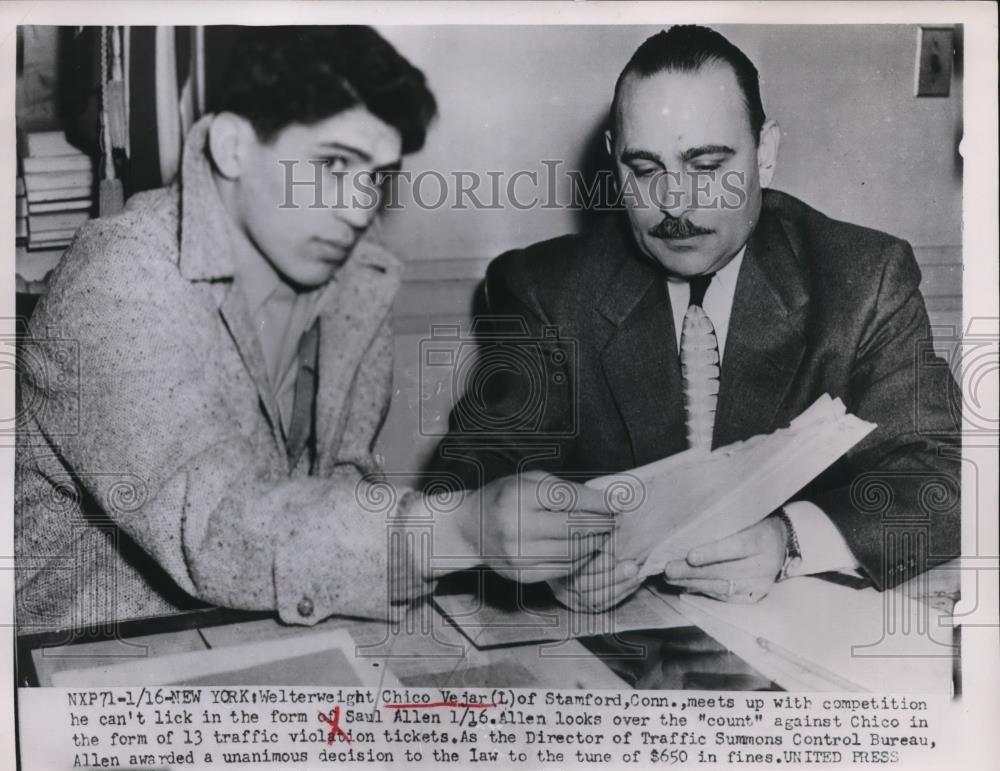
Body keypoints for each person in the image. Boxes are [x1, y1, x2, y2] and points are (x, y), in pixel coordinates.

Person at [15, 26, 616, 633]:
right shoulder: (116, 280)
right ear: (232, 147)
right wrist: (457, 529)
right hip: (85, 652)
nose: (358, 210)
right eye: (332, 164)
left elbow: (344, 484)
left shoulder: (357, 277)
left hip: (254, 638)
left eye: (375, 177)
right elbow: (216, 522)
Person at [428, 25, 961, 612]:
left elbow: (947, 480)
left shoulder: (865, 277)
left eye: (706, 166)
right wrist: (536, 562)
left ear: (766, 154)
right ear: (613, 162)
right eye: (645, 169)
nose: (675, 204)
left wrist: (788, 540)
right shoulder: (546, 290)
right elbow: (462, 489)